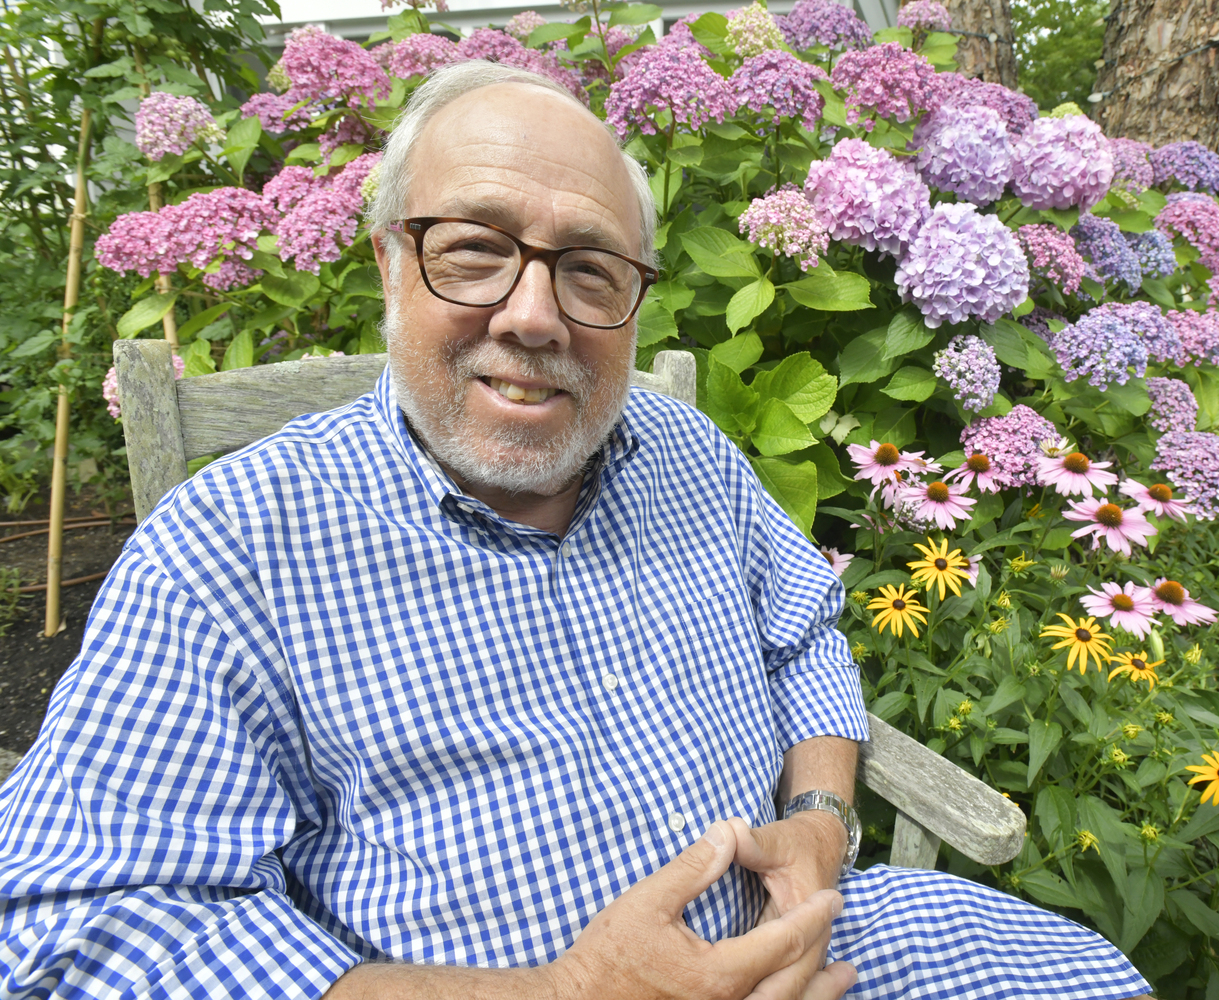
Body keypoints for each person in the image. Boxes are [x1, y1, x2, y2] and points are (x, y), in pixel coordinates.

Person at [0, 62, 1152, 1000]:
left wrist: (816, 820)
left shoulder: (687, 453)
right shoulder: (233, 550)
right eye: (474, 251)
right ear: (390, 262)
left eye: (591, 270)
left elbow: (805, 634)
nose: (536, 314)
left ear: (635, 301)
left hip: (827, 950)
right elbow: (78, 930)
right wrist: (560, 993)